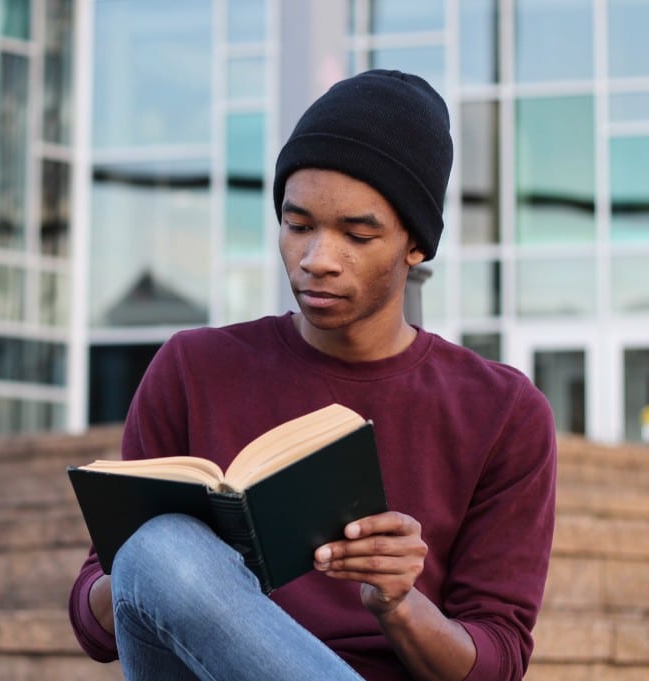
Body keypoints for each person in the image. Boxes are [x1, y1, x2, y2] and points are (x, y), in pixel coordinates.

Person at [68, 69, 557, 681]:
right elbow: (96, 623)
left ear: (415, 246)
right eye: (298, 226)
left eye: (357, 234)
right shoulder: (192, 368)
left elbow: (498, 662)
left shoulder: (502, 411)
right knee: (158, 547)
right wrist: (166, 567)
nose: (316, 260)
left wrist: (401, 604)